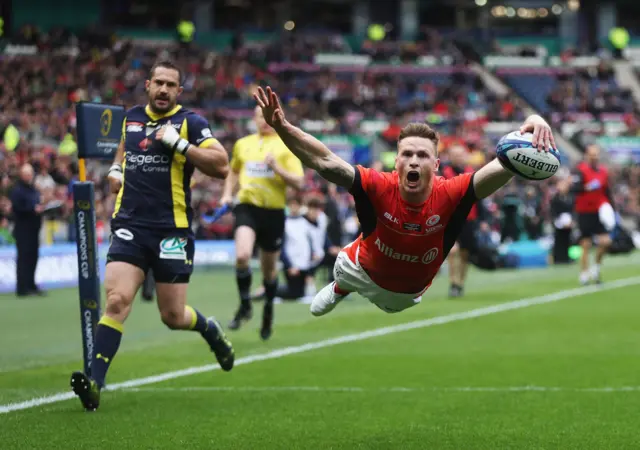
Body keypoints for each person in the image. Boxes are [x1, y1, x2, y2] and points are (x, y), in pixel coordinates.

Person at [253, 86, 557, 316]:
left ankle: (346, 285)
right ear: (396, 161)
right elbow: (323, 160)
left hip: (403, 298)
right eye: (407, 154)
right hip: (359, 268)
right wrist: (281, 126)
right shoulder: (377, 184)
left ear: (436, 164)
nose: (414, 161)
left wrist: (534, 119)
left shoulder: (452, 192)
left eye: (422, 155)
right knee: (342, 266)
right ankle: (341, 286)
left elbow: (504, 164)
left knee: (392, 304)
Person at [70, 60, 235, 412]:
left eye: (170, 85)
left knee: (173, 316)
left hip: (171, 230)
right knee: (116, 301)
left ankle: (209, 329)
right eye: (158, 83)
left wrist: (180, 145)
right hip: (129, 225)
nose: (163, 90)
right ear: (147, 85)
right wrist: (116, 170)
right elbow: (123, 149)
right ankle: (95, 384)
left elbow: (221, 165)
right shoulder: (130, 117)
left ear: (179, 91)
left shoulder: (191, 122)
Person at [220, 105, 304, 340]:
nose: (264, 121)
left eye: (269, 117)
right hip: (247, 207)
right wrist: (228, 193)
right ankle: (245, 304)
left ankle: (268, 310)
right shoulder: (243, 144)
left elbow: (299, 182)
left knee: (269, 273)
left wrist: (277, 168)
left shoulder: (285, 145)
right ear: (254, 119)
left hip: (274, 212)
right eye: (260, 116)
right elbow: (233, 171)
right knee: (242, 256)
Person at [440, 145, 480, 298]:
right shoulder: (445, 172)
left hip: (469, 218)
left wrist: (482, 219)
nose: (458, 157)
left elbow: (479, 196)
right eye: (455, 154)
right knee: (452, 251)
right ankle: (453, 282)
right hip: (450, 218)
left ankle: (460, 282)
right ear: (450, 156)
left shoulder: (473, 172)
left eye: (460, 154)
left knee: (465, 254)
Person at [571, 144, 613, 285]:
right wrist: (587, 187)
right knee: (586, 244)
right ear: (587, 156)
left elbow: (607, 191)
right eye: (592, 154)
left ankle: (596, 268)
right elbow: (575, 189)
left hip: (598, 211)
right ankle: (584, 273)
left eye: (596, 154)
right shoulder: (580, 171)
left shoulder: (603, 172)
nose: (595, 157)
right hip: (584, 212)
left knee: (606, 241)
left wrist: (612, 208)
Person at [9, 164, 46, 297]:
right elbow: (17, 209)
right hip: (23, 229)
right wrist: (32, 209)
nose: (29, 176)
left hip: (34, 228)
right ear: (22, 175)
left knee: (33, 257)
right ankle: (23, 287)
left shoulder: (33, 189)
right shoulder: (18, 191)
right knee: (24, 258)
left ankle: (31, 284)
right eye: (27, 174)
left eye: (30, 174)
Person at [550, 176, 574, 264]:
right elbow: (553, 212)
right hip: (559, 222)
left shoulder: (570, 197)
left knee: (568, 240)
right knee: (558, 240)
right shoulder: (555, 198)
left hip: (568, 222)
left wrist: (572, 220)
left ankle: (567, 257)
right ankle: (558, 259)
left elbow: (573, 210)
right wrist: (558, 222)